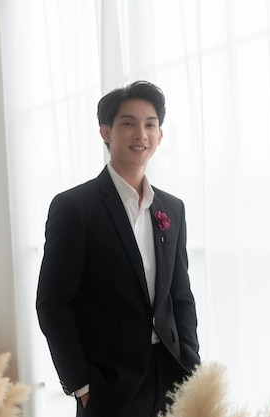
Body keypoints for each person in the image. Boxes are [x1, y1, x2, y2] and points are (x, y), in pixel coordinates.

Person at [36, 81, 200, 417]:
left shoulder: (172, 208)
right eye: (128, 123)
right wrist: (80, 385)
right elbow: (53, 304)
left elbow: (179, 294)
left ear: (160, 135)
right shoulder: (74, 207)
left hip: (171, 373)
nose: (141, 133)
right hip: (109, 385)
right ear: (105, 132)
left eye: (150, 124)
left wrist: (191, 360)